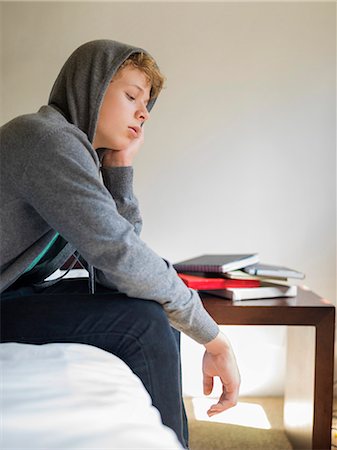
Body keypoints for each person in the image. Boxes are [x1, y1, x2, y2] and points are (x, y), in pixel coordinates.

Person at [0, 39, 240, 448]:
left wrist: (120, 167)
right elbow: (121, 257)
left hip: (17, 295)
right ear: (90, 88)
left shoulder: (79, 156)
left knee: (153, 308)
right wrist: (214, 338)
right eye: (131, 96)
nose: (143, 113)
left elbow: (118, 267)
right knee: (144, 323)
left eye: (146, 104)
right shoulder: (45, 138)